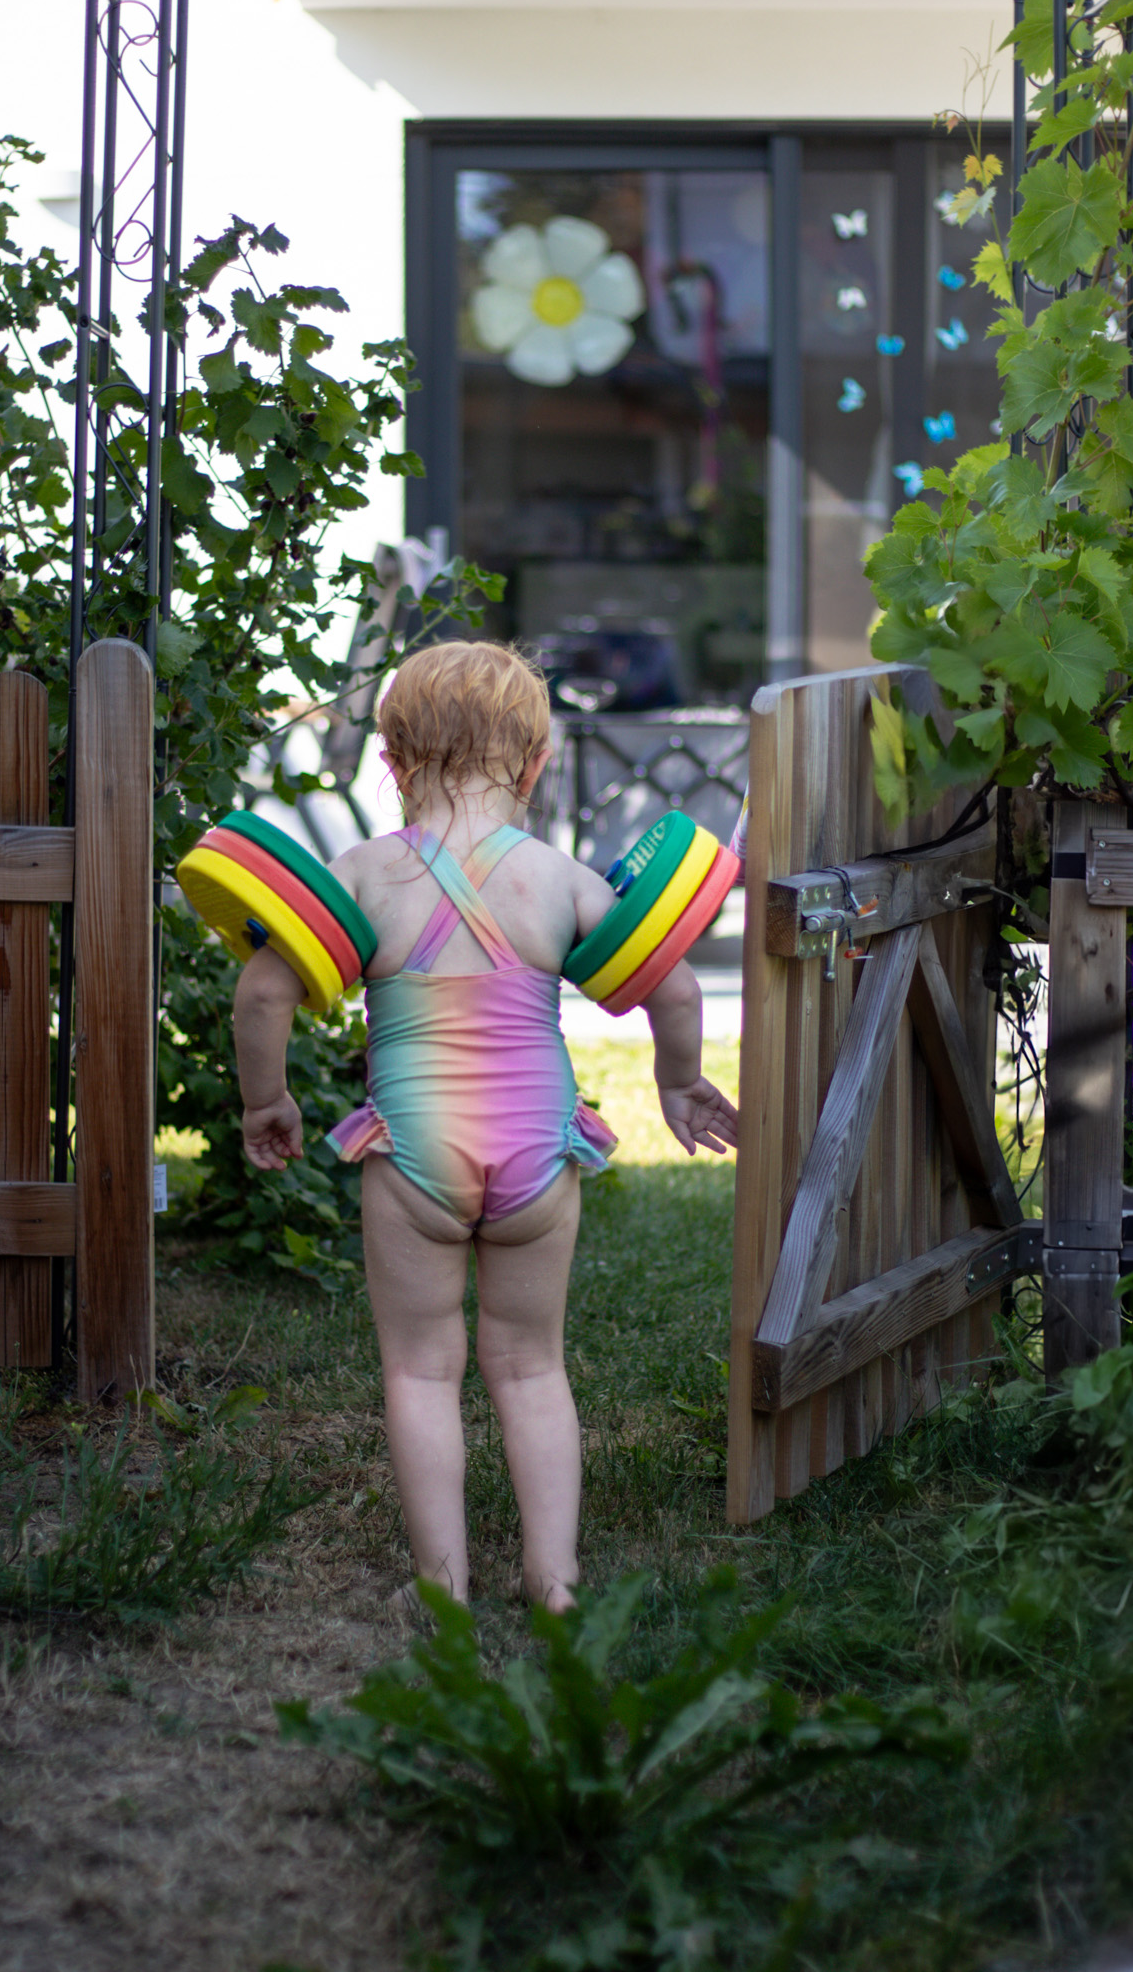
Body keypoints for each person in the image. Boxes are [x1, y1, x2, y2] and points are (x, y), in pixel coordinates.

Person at [232, 641, 738, 1615]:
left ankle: (442, 1586)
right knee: (532, 1364)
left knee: (422, 1369)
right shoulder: (557, 878)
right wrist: (677, 1084)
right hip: (535, 1149)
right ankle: (553, 1580)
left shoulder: (363, 873)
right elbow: (670, 985)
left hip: (415, 1149)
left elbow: (263, 991)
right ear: (536, 763)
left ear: (390, 761)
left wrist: (268, 1100)